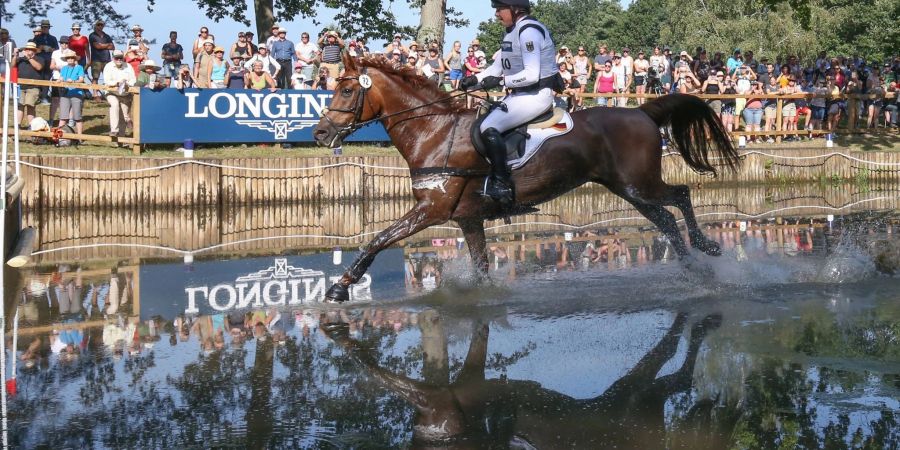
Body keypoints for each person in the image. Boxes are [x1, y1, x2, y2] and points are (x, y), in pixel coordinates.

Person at [460, 0, 559, 207]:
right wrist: (474, 80)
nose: (496, 14)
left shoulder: (529, 32)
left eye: (499, 9)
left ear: (515, 9)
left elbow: (532, 75)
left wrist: (503, 81)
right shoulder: (512, 32)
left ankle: (502, 183)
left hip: (536, 94)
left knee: (489, 127)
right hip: (518, 95)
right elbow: (496, 69)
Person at [102, 50, 136, 139]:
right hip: (111, 92)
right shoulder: (108, 66)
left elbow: (133, 80)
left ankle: (121, 139)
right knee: (114, 105)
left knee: (124, 117)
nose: (119, 59)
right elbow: (107, 81)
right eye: (117, 57)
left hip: (125, 94)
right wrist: (117, 83)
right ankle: (114, 130)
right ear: (113, 58)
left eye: (121, 57)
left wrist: (128, 83)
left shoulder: (128, 66)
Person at [15, 42, 44, 128]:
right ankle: (18, 125)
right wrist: (15, 56)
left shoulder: (39, 58)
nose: (28, 51)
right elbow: (12, 66)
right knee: (20, 106)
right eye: (27, 49)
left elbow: (39, 67)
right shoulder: (20, 59)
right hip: (21, 86)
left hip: (33, 87)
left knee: (30, 106)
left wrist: (29, 58)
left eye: (30, 50)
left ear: (34, 51)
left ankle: (31, 125)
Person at [88, 20, 114, 93]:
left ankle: (108, 93)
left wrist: (101, 45)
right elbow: (97, 46)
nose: (100, 26)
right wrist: (106, 45)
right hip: (96, 60)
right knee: (95, 77)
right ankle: (95, 94)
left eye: (102, 25)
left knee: (108, 78)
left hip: (107, 60)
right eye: (98, 24)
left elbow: (112, 47)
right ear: (95, 25)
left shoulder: (107, 36)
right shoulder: (92, 35)